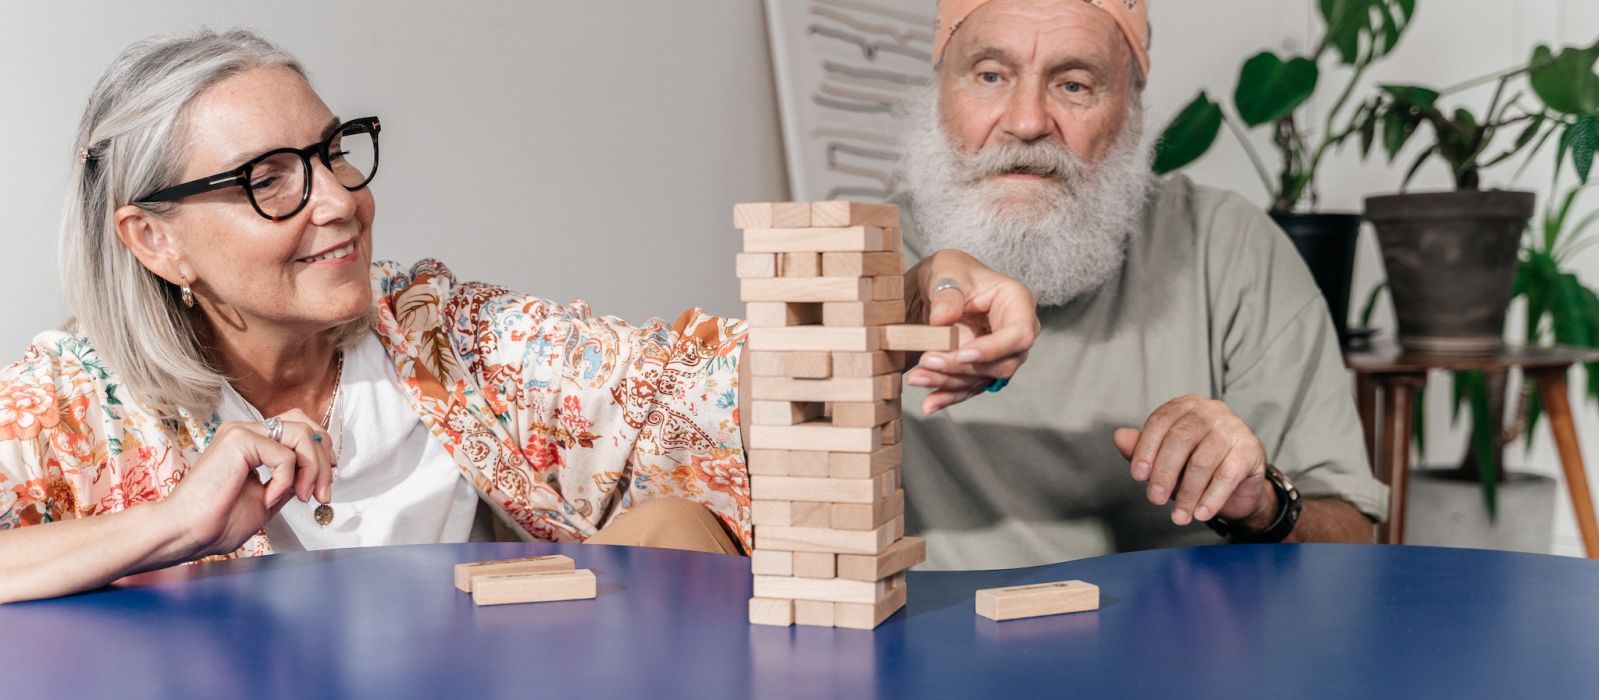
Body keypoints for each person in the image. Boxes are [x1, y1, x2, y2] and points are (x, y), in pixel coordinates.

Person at [0, 29, 1038, 603]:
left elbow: (689, 384)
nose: (337, 200)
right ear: (153, 240)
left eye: (332, 152)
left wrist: (907, 302)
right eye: (270, 178)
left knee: (677, 526)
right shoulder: (71, 401)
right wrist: (170, 524)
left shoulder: (446, 336)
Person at [894, 0, 1388, 569]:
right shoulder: (864, 255)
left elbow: (1351, 537)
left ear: (1132, 111)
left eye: (1075, 85)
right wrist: (885, 320)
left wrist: (1261, 504)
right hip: (928, 643)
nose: (1027, 121)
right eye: (990, 75)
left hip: (1172, 643)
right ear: (939, 95)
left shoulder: (1227, 246)